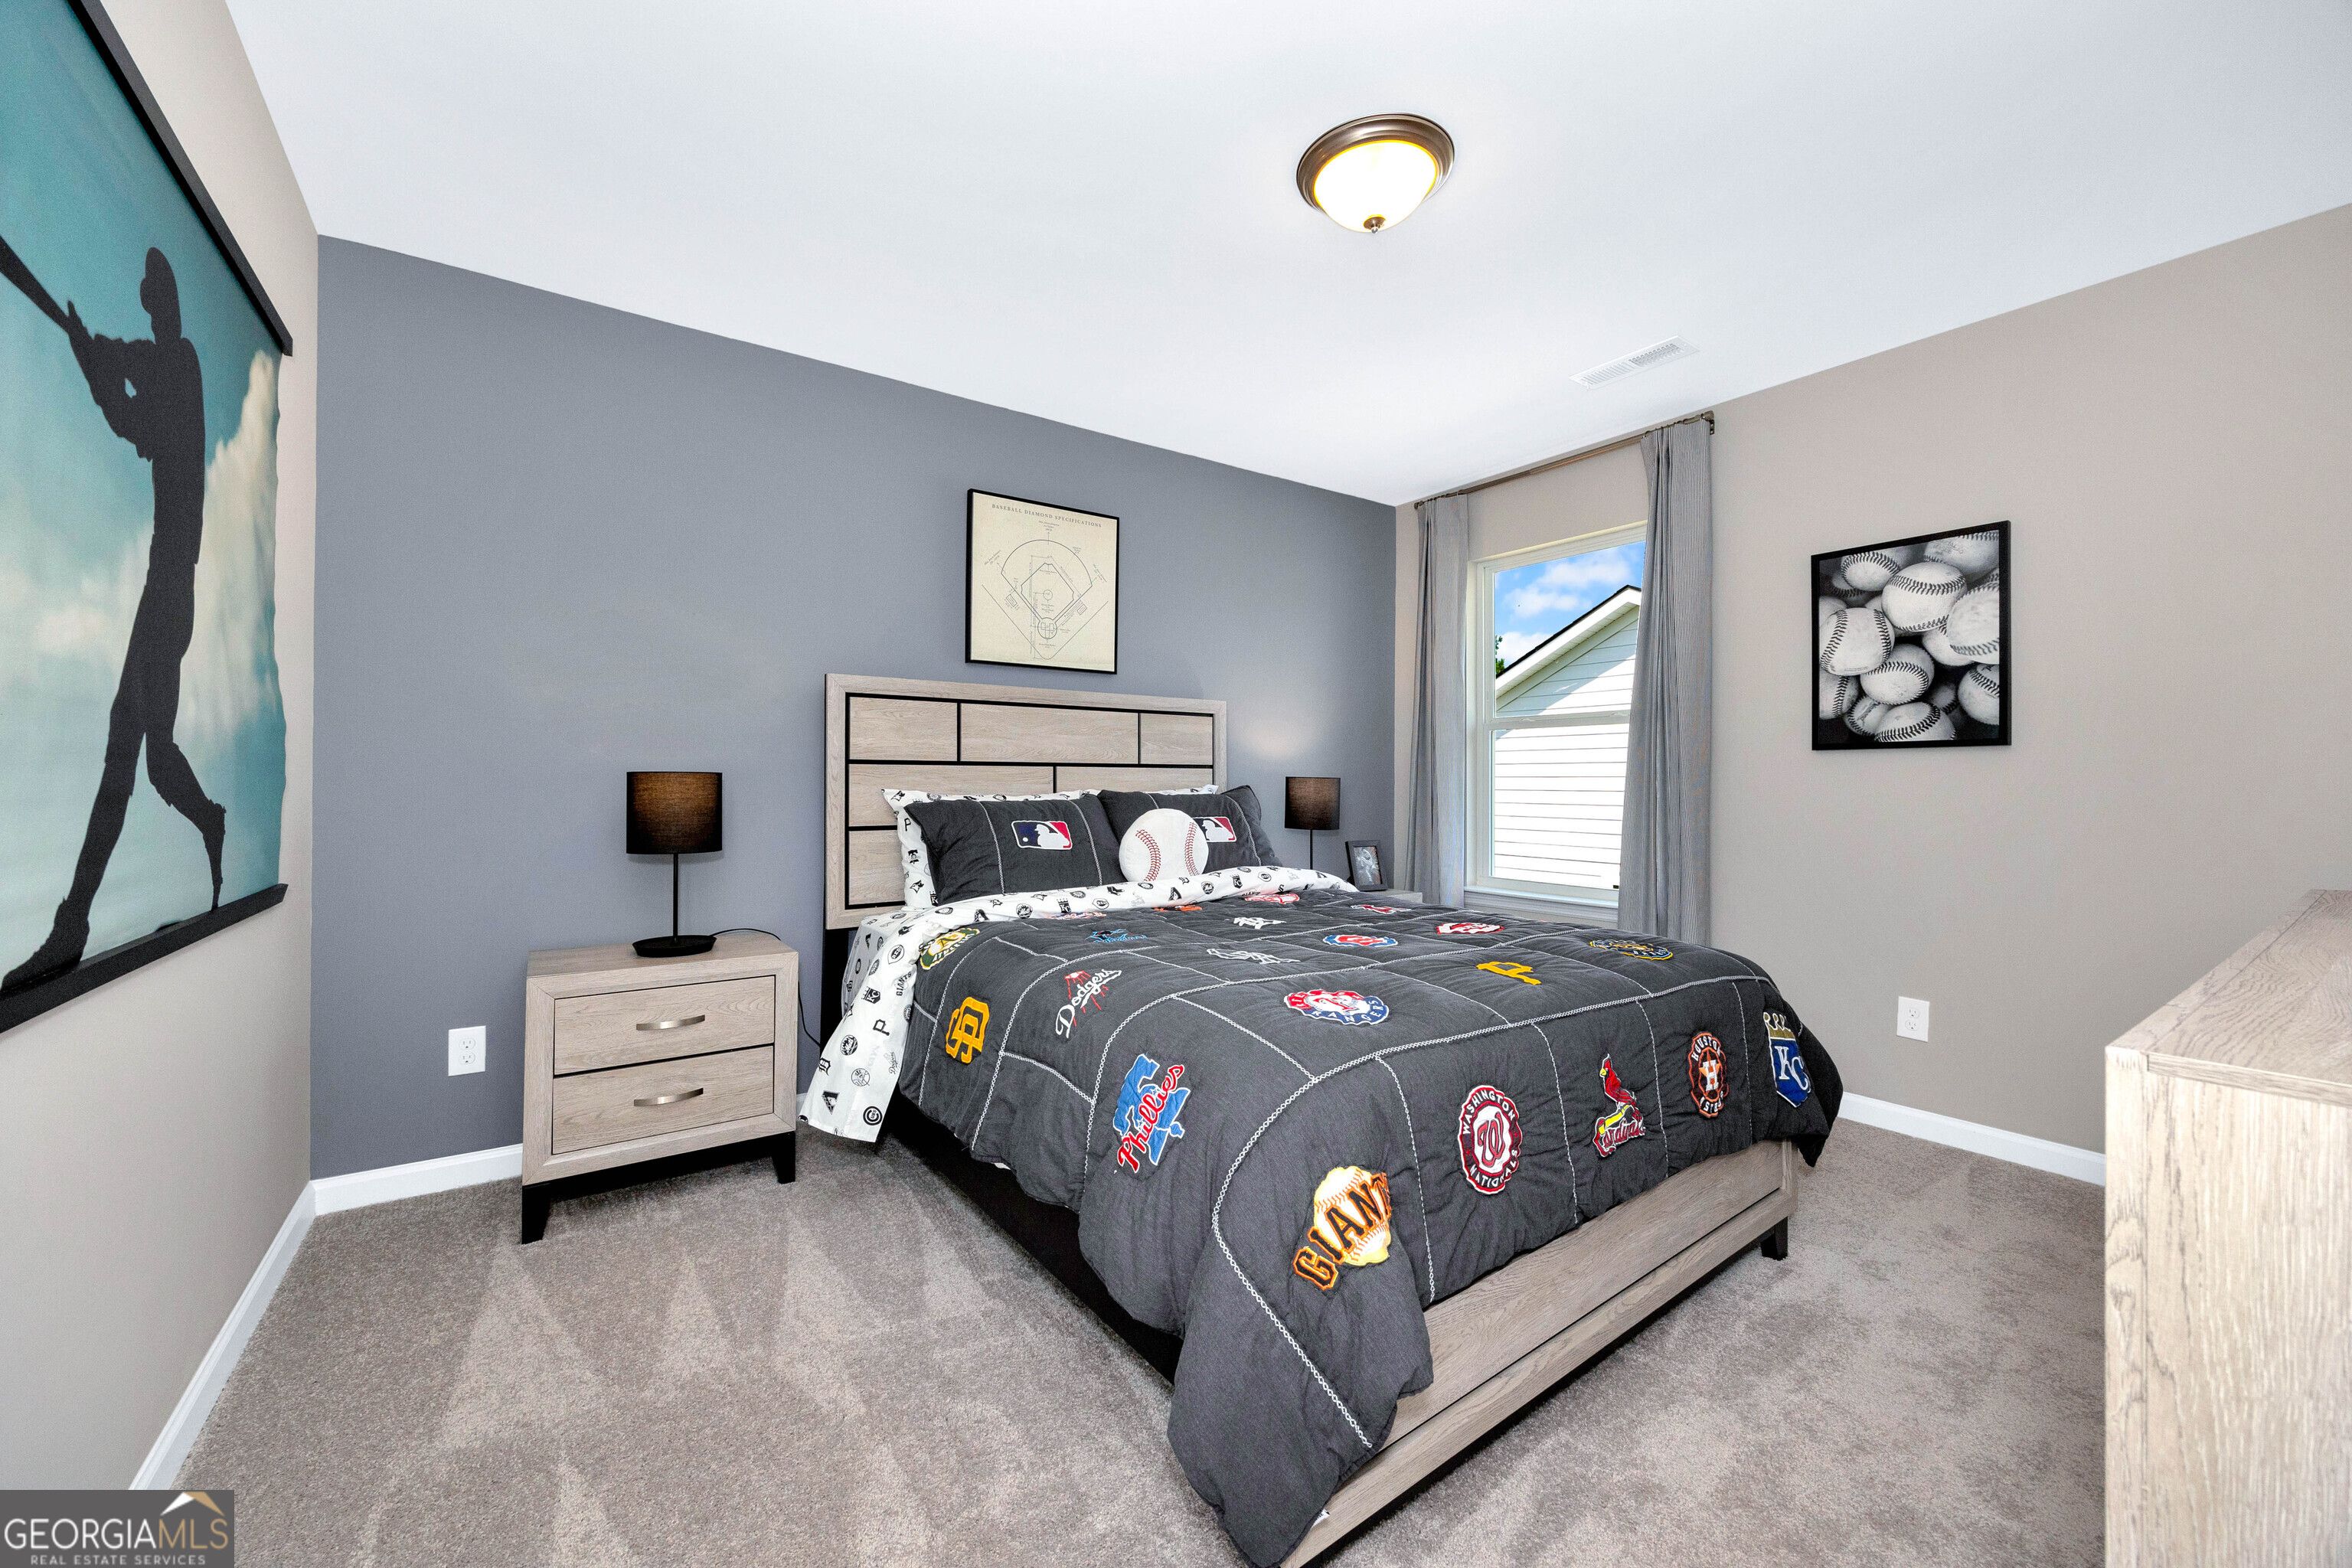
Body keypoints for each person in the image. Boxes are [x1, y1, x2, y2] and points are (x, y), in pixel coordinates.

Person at [5, 247, 223, 991]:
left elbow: (134, 409)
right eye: (151, 289)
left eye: (160, 288)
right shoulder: (170, 364)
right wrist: (90, 354)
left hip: (169, 586)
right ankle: (212, 819)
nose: (156, 298)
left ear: (166, 300)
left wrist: (90, 356)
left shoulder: (181, 361)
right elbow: (130, 406)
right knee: (153, 756)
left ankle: (72, 925)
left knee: (121, 755)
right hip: (172, 587)